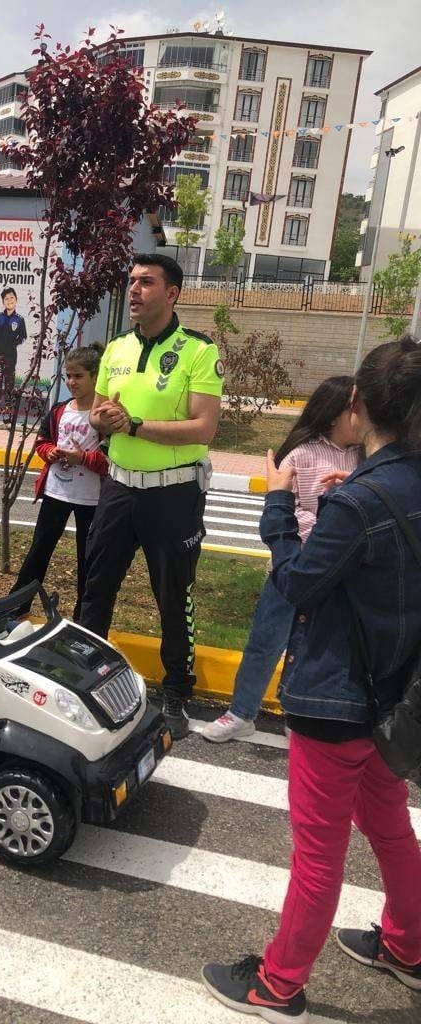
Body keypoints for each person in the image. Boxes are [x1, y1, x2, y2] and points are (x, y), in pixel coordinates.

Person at [203, 336, 421, 1022]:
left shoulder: (359, 502)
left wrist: (278, 502)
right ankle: (409, 947)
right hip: (395, 697)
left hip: (335, 698)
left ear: (358, 402)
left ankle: (279, 982)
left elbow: (298, 582)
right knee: (389, 826)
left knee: (318, 853)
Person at [78, 254, 223, 739]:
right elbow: (97, 414)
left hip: (173, 495)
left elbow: (204, 429)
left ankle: (177, 691)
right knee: (96, 587)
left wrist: (135, 424)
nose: (135, 290)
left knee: (172, 596)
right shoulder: (116, 348)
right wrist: (104, 419)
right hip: (118, 488)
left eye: (147, 282)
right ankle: (85, 679)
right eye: (132, 281)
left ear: (173, 292)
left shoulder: (198, 351)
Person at [202, 377, 362, 742]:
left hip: (334, 575)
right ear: (335, 413)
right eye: (354, 409)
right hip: (291, 570)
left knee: (312, 649)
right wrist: (330, 524)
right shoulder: (301, 454)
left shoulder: (363, 456)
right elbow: (283, 506)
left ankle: (299, 716)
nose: (360, 417)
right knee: (266, 641)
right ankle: (242, 712)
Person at [10, 344, 108, 619]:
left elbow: (110, 462)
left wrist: (84, 459)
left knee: (87, 561)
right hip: (56, 493)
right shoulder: (58, 410)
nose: (71, 382)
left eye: (78, 376)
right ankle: (16, 608)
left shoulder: (104, 416)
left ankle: (84, 618)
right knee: (38, 552)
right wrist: (50, 452)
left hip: (91, 499)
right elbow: (42, 442)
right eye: (68, 376)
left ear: (95, 376)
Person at [0, 287, 27, 401]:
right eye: (6, 299)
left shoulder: (19, 319)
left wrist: (14, 344)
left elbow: (23, 336)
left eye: (12, 298)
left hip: (11, 354)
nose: (9, 301)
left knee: (9, 377)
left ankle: (9, 398)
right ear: (3, 302)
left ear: (16, 300)